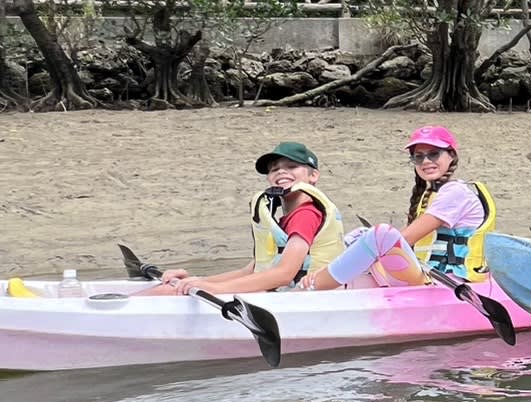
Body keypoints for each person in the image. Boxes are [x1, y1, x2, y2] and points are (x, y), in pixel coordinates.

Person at [305, 125, 497, 290]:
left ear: (451, 155)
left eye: (434, 154)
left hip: (449, 282)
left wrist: (369, 252)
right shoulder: (431, 193)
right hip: (426, 274)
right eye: (419, 157)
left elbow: (404, 238)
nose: (426, 161)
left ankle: (314, 285)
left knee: (380, 235)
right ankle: (319, 280)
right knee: (362, 235)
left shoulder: (455, 192)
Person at [154, 142, 346, 296]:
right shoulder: (284, 221)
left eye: (292, 166)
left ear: (314, 175)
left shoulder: (306, 215)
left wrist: (215, 289)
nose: (281, 172)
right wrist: (198, 281)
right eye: (274, 169)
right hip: (287, 294)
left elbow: (284, 274)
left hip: (304, 299)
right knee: (171, 289)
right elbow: (250, 271)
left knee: (167, 292)